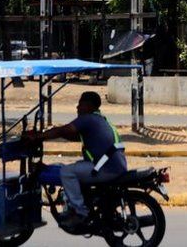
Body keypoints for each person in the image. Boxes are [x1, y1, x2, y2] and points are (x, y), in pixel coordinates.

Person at [24, 91, 126, 228]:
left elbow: (64, 130)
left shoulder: (87, 119)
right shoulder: (100, 120)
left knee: (67, 172)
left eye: (80, 104)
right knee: (72, 166)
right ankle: (82, 202)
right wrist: (48, 135)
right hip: (114, 165)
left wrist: (38, 137)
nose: (77, 108)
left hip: (106, 168)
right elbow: (71, 135)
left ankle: (80, 212)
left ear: (89, 106)